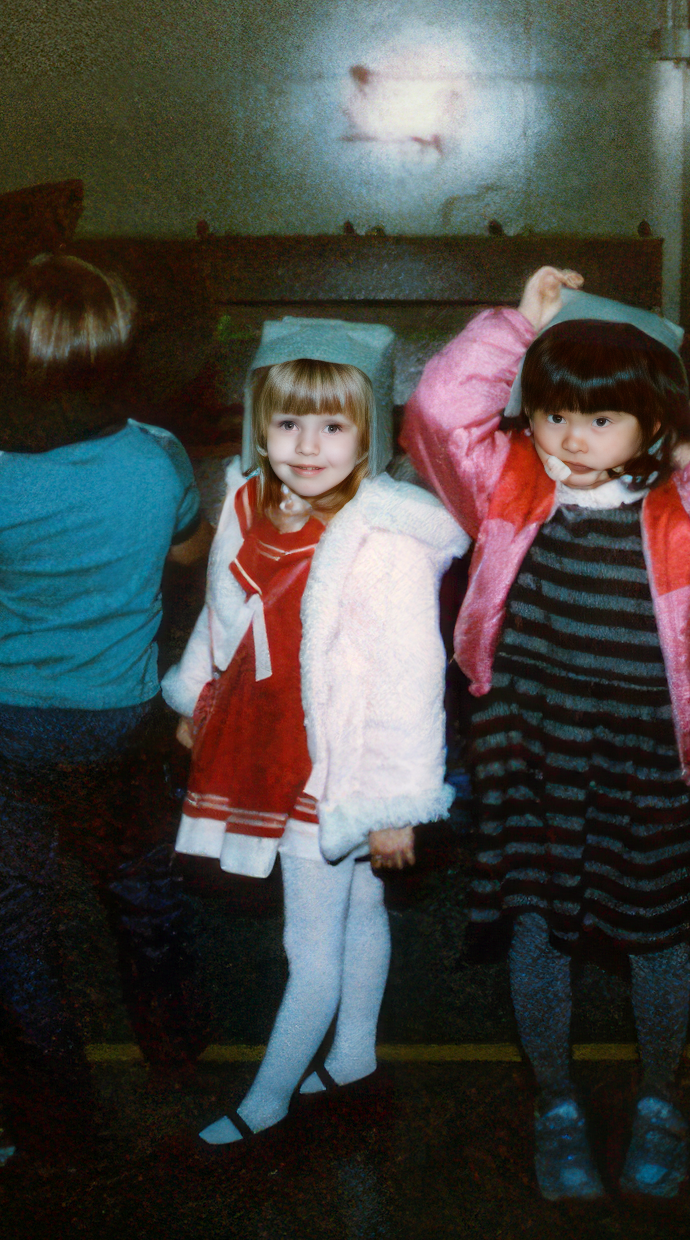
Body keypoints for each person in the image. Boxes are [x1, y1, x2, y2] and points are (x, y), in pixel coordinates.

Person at [403, 270, 690, 1201]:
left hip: (641, 759)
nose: (569, 441)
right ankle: (555, 1104)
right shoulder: (505, 486)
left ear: (655, 425)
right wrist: (520, 323)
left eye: (601, 420)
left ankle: (661, 1098)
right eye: (550, 416)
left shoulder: (681, 511)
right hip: (527, 745)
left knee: (657, 937)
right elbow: (433, 407)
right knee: (537, 927)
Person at [165, 318, 467, 1147]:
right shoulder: (247, 502)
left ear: (369, 429)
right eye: (287, 421)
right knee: (358, 912)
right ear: (257, 420)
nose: (306, 445)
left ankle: (266, 1104)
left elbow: (410, 686)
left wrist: (394, 804)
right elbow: (225, 617)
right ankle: (356, 1060)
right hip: (263, 742)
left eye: (334, 425)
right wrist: (199, 697)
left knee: (310, 948)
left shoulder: (387, 539)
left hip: (331, 765)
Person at [0, 253, 211, 1165]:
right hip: (121, 720)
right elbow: (186, 557)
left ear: (14, 348)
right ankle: (178, 1058)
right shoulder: (159, 456)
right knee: (141, 888)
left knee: (12, 923)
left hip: (6, 723)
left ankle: (54, 1122)